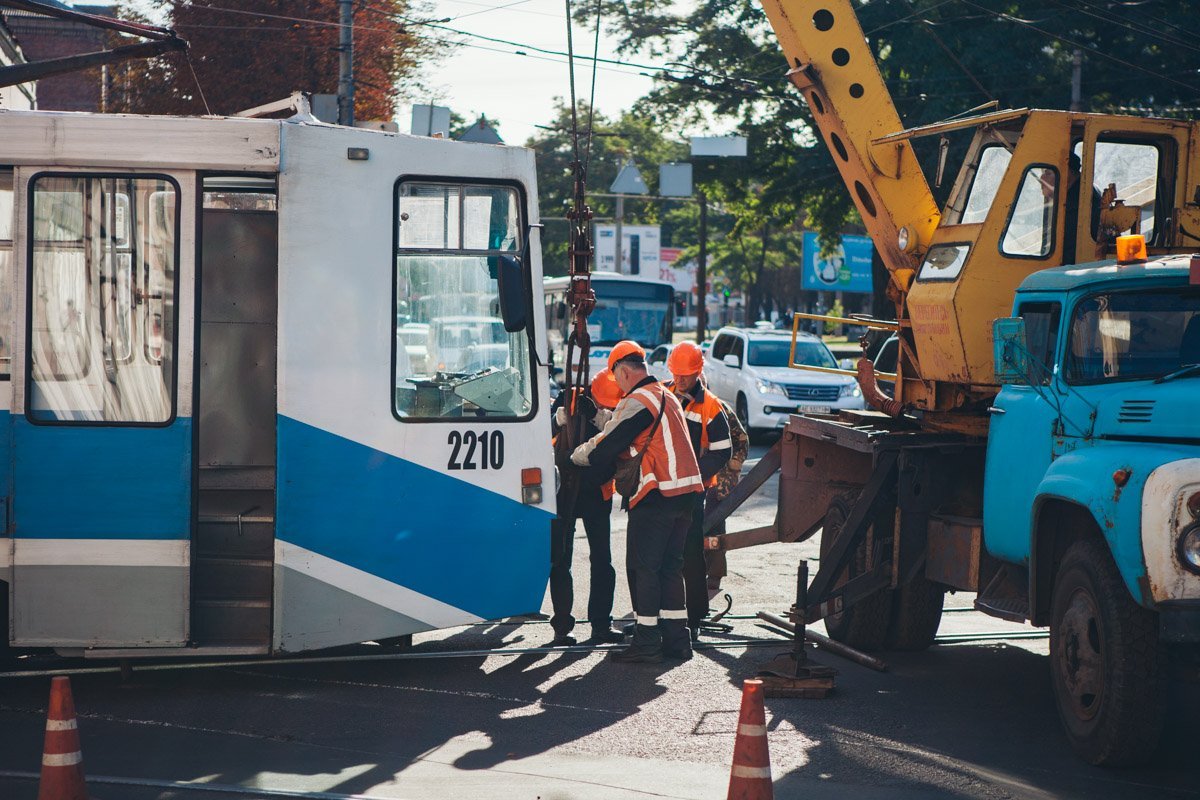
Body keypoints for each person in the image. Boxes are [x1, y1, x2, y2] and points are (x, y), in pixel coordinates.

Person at [572, 340, 704, 663]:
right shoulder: (664, 395)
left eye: (617, 379)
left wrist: (575, 456)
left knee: (645, 568)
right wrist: (599, 415)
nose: (618, 387)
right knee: (671, 567)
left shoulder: (638, 400)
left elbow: (609, 443)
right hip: (685, 495)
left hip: (657, 495)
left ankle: (646, 641)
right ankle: (677, 639)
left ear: (624, 372)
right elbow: (628, 426)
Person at [547, 369, 625, 646]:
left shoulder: (621, 407)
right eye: (601, 403)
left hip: (597, 491)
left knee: (602, 560)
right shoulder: (568, 398)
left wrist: (597, 416)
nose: (605, 407)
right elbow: (538, 434)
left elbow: (619, 439)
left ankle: (601, 625)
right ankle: (561, 626)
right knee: (561, 559)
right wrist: (556, 421)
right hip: (564, 491)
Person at [664, 342, 731, 639]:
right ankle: (661, 616)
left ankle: (694, 617)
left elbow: (722, 451)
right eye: (676, 373)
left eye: (686, 375)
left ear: (698, 372)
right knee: (662, 554)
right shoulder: (663, 394)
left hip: (692, 490)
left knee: (691, 553)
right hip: (663, 487)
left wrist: (693, 476)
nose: (679, 380)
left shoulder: (711, 407)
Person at [704, 396, 749, 600]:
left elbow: (742, 440)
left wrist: (733, 465)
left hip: (720, 474)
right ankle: (693, 569)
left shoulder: (718, 407)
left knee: (714, 523)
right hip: (697, 472)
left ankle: (714, 574)